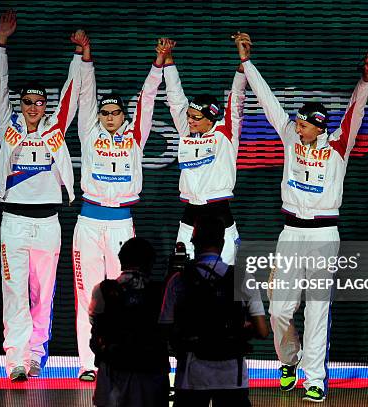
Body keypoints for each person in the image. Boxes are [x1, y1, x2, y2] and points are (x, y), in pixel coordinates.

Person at [235, 32, 368, 402]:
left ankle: (315, 378)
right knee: (280, 308)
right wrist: (247, 63)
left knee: (317, 308)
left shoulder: (337, 146)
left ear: (319, 126)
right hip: (290, 234)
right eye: (296, 123)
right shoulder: (289, 138)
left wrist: (365, 81)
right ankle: (290, 358)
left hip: (324, 235)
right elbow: (268, 103)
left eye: (303, 125)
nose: (296, 128)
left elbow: (355, 113)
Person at [70, 31, 168, 381]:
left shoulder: (134, 136)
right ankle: (88, 363)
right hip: (89, 222)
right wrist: (86, 58)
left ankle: (124, 353)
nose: (109, 117)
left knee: (127, 293)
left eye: (115, 112)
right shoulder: (88, 133)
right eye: (105, 112)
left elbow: (148, 99)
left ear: (123, 115)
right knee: (88, 294)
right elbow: (84, 97)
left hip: (122, 224)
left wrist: (157, 66)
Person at [0, 10, 82, 381]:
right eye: (27, 102)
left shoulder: (55, 130)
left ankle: (34, 356)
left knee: (43, 296)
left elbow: (72, 96)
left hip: (48, 224)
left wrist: (79, 56)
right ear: (20, 104)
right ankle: (14, 360)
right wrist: (1, 43)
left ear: (45, 107)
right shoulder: (7, 125)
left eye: (39, 103)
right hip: (13, 222)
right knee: (14, 293)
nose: (32, 108)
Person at [160, 215, 269, 407]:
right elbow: (262, 331)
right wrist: (238, 328)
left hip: (191, 377)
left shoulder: (178, 280)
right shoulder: (242, 277)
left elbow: (164, 331)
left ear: (194, 242)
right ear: (222, 242)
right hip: (232, 377)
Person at [162, 36, 247, 265]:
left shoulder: (225, 132)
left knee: (225, 275)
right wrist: (168, 61)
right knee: (183, 273)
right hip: (191, 213)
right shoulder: (186, 130)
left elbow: (237, 100)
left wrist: (243, 66)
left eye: (196, 118)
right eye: (189, 116)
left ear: (211, 119)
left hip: (219, 213)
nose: (190, 121)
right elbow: (176, 100)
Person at [89, 237, 170, 406]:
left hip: (113, 373)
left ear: (121, 260)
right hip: (150, 374)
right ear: (150, 263)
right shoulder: (162, 292)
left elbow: (95, 324)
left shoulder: (102, 290)